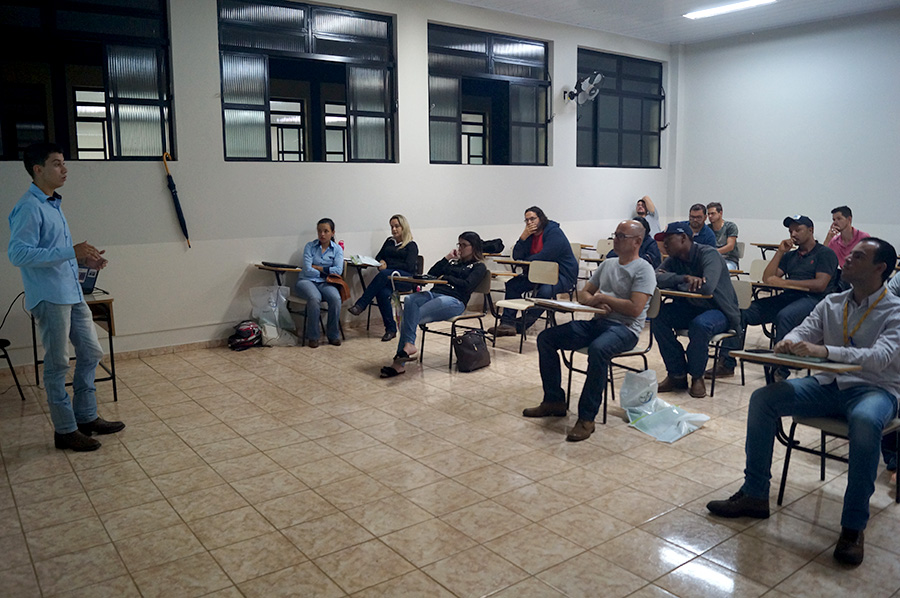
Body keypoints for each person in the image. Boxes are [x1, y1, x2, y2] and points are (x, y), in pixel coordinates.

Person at [707, 238, 900, 566]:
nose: (847, 259)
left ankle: (853, 526)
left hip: (874, 390)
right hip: (829, 385)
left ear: (880, 268)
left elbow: (880, 358)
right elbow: (804, 331)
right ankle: (754, 494)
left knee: (866, 421)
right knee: (763, 399)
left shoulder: (894, 310)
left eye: (857, 256)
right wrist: (788, 342)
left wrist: (824, 351)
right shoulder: (833, 303)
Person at [7, 143, 124, 452]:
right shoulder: (29, 207)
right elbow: (18, 254)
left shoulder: (53, 204)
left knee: (91, 352)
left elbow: (55, 253)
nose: (64, 169)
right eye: (57, 163)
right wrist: (71, 251)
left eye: (63, 163)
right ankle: (65, 430)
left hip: (72, 293)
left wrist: (83, 261)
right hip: (50, 297)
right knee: (58, 363)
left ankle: (86, 417)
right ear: (38, 169)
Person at [524, 220, 656, 441]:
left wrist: (604, 298)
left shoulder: (644, 269)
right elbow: (584, 294)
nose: (615, 240)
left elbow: (635, 309)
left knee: (598, 350)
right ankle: (554, 401)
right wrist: (596, 300)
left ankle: (586, 418)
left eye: (621, 236)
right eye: (615, 234)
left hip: (625, 329)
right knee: (546, 338)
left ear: (637, 242)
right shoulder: (608, 264)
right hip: (599, 323)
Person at [712, 215, 839, 381]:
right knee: (742, 311)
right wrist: (780, 252)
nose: (793, 234)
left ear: (811, 230)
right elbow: (768, 278)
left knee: (785, 316)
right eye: (791, 231)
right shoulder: (790, 256)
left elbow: (820, 284)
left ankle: (780, 370)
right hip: (788, 297)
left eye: (798, 230)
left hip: (814, 300)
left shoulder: (825, 253)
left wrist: (785, 282)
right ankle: (726, 363)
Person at [380, 232, 487, 378]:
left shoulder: (479, 267)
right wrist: (447, 258)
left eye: (464, 245)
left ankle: (398, 364)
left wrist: (447, 278)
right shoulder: (453, 262)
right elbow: (432, 273)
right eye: (459, 244)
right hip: (435, 293)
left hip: (455, 301)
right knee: (410, 299)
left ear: (474, 247)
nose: (460, 248)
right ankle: (408, 347)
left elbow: (467, 285)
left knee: (410, 317)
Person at [653, 222, 740, 398]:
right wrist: (684, 279)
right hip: (690, 307)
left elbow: (706, 288)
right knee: (658, 316)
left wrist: (674, 283)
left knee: (700, 325)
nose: (665, 244)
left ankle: (696, 376)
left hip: (719, 310)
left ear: (683, 238)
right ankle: (677, 374)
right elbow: (654, 278)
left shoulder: (709, 254)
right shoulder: (674, 258)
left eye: (668, 239)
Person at [489, 207, 578, 337]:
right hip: (539, 274)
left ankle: (522, 324)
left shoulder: (554, 232)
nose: (530, 223)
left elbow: (545, 255)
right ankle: (507, 323)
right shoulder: (530, 235)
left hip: (562, 275)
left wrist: (526, 261)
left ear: (541, 218)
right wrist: (523, 237)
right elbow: (517, 255)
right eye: (527, 220)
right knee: (513, 285)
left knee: (545, 291)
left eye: (532, 219)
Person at [347, 215, 418, 342]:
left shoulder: (411, 245)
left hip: (404, 280)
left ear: (404, 227)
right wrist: (381, 261)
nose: (394, 229)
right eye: (392, 227)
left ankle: (361, 304)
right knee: (382, 293)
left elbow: (409, 266)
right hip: (389, 280)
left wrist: (388, 265)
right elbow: (379, 256)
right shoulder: (389, 241)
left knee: (384, 274)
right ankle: (390, 329)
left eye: (397, 226)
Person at [295, 218, 344, 348]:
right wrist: (326, 271)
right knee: (314, 297)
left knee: (335, 298)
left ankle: (333, 335)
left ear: (332, 232)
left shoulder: (337, 249)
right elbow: (307, 269)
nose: (322, 234)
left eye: (326, 231)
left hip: (326, 282)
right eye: (319, 231)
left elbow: (338, 270)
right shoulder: (310, 246)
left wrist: (318, 268)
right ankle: (313, 337)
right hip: (306, 280)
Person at [706, 202, 740, 270]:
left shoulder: (730, 226)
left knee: (722, 270)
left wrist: (714, 252)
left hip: (729, 260)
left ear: (720, 213)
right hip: (712, 260)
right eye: (708, 214)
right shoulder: (707, 228)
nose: (710, 216)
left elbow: (730, 246)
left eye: (713, 213)